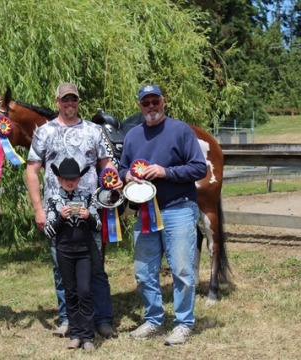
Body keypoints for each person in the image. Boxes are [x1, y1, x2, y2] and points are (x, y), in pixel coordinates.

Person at [25, 82, 122, 339]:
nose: (70, 103)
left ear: (78, 102)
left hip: (90, 211)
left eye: (74, 99)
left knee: (96, 267)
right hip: (57, 213)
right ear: (57, 101)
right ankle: (69, 319)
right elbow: (32, 170)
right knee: (62, 268)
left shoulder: (94, 130)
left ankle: (103, 319)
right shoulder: (43, 132)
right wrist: (38, 210)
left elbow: (106, 164)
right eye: (65, 99)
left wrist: (114, 179)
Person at [119, 84, 207, 346]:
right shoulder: (133, 135)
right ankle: (153, 319)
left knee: (181, 269)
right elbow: (123, 166)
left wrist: (165, 172)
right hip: (144, 212)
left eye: (155, 101)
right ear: (139, 106)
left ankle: (183, 323)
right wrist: (127, 176)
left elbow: (199, 168)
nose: (151, 107)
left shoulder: (181, 130)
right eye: (145, 103)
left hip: (178, 208)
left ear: (163, 102)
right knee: (144, 271)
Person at [45, 157, 101, 351]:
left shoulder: (87, 196)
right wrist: (60, 218)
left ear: (79, 179)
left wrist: (89, 217)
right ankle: (75, 334)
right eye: (66, 179)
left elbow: (98, 226)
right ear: (59, 180)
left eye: (74, 178)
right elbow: (48, 231)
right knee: (70, 292)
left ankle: (87, 336)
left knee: (85, 291)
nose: (70, 182)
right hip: (64, 251)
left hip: (84, 251)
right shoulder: (53, 200)